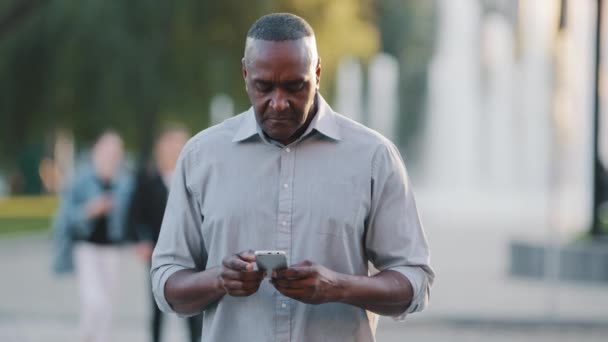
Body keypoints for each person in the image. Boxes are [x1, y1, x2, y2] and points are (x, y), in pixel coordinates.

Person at [151, 13, 434, 341]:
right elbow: (166, 284)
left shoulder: (374, 158)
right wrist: (219, 279)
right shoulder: (201, 157)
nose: (279, 102)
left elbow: (415, 282)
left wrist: (337, 286)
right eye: (264, 86)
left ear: (317, 72)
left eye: (294, 86)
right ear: (245, 74)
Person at [52, 130, 133, 342]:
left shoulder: (125, 181)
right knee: (93, 299)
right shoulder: (81, 179)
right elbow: (65, 215)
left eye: (117, 149)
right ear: (97, 149)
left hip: (112, 247)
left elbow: (133, 215)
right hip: (86, 246)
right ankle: (86, 336)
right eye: (108, 148)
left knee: (109, 301)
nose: (113, 153)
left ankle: (101, 337)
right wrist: (90, 210)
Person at [129, 126, 203, 342]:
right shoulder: (148, 179)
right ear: (160, 148)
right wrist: (140, 242)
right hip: (157, 252)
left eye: (180, 143)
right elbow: (134, 214)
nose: (175, 149)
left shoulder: (194, 177)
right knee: (157, 307)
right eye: (170, 144)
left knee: (192, 306)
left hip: (191, 251)